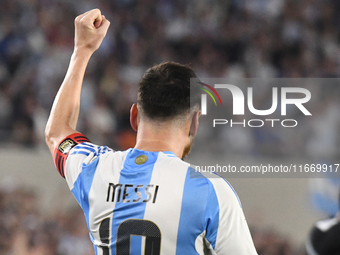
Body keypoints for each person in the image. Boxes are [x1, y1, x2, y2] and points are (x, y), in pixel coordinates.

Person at [45, 9, 257, 255]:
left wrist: (82, 50)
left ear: (134, 116)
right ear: (194, 123)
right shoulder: (212, 192)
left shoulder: (94, 169)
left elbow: (56, 132)